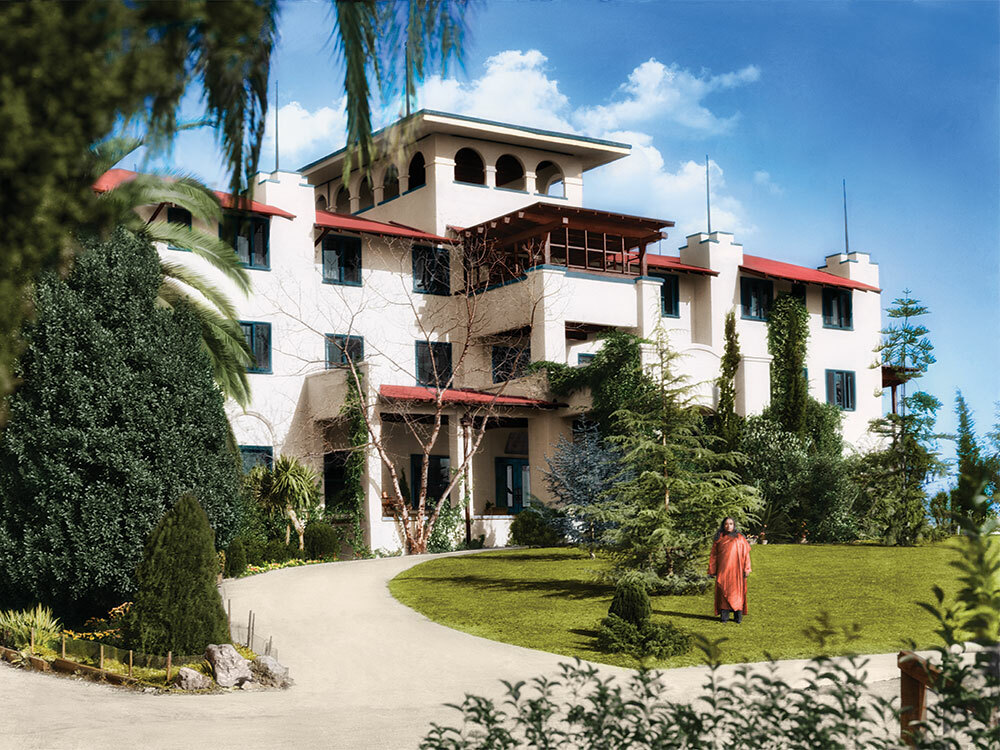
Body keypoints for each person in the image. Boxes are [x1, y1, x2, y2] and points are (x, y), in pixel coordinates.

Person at [707, 517, 751, 624]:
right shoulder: (719, 538)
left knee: (737, 593)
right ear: (723, 525)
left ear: (734, 525)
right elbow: (714, 556)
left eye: (731, 524)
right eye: (726, 524)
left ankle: (738, 617)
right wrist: (712, 570)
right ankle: (724, 617)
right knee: (723, 591)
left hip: (737, 571)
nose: (728, 526)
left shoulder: (740, 538)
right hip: (723, 570)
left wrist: (747, 568)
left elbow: (746, 555)